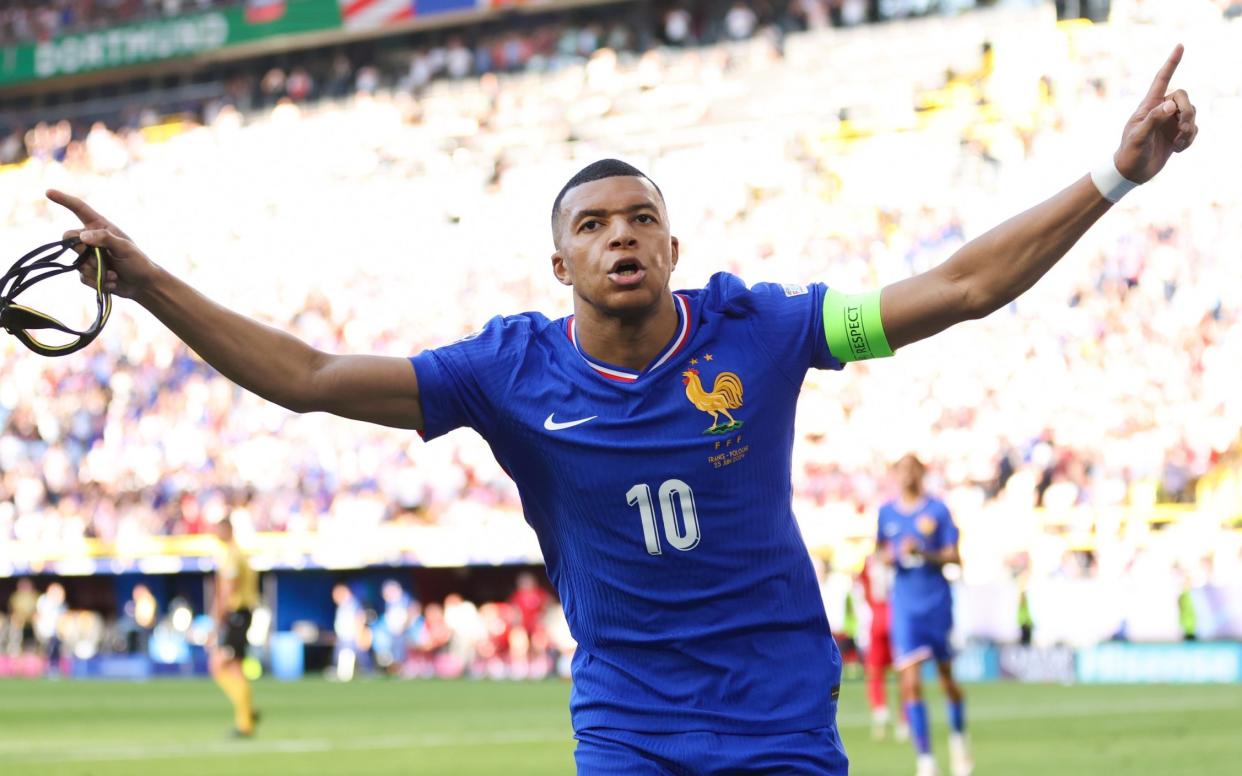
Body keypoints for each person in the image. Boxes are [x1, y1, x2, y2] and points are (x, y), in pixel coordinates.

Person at [48, 46, 1196, 774]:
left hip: (777, 723)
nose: (620, 235)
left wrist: (1116, 175)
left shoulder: (769, 330)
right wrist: (147, 282)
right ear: (559, 265)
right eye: (592, 224)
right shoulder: (504, 373)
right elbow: (302, 375)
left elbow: (961, 287)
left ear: (675, 245)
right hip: (629, 730)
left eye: (639, 216)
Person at [878, 454, 968, 776]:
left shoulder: (937, 511)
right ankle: (926, 761)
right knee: (911, 682)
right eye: (901, 469)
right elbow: (880, 552)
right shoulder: (885, 513)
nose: (907, 475)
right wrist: (888, 558)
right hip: (905, 607)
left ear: (922, 474)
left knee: (946, 679)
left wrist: (924, 554)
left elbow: (955, 556)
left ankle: (959, 740)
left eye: (912, 469)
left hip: (936, 604)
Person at [209, 517, 260, 738]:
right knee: (235, 667)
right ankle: (245, 715)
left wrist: (218, 619)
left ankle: (245, 715)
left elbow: (228, 590)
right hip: (242, 613)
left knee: (219, 665)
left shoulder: (231, 555)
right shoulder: (239, 553)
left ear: (226, 530)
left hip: (236, 614)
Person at [858, 549, 906, 742]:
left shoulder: (869, 561)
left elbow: (862, 586)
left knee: (875, 672)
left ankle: (880, 713)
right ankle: (904, 721)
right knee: (904, 672)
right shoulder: (897, 556)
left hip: (876, 617)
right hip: (897, 617)